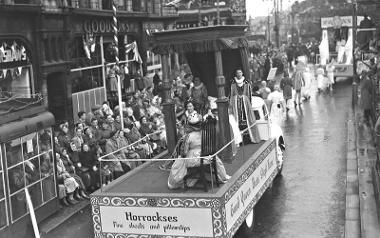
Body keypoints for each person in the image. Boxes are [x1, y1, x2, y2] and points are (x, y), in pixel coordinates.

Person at [167, 112, 230, 189]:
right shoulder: (206, 132)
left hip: (195, 158)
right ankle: (205, 176)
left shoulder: (189, 136)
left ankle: (175, 183)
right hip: (208, 156)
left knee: (180, 160)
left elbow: (184, 152)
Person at [230, 69, 260, 143]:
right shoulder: (233, 84)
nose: (239, 74)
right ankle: (238, 140)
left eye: (240, 72)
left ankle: (250, 138)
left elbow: (249, 95)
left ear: (242, 73)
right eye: (237, 73)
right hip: (236, 105)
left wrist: (248, 103)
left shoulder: (247, 83)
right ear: (236, 74)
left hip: (245, 105)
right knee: (236, 121)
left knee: (248, 120)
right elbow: (231, 95)